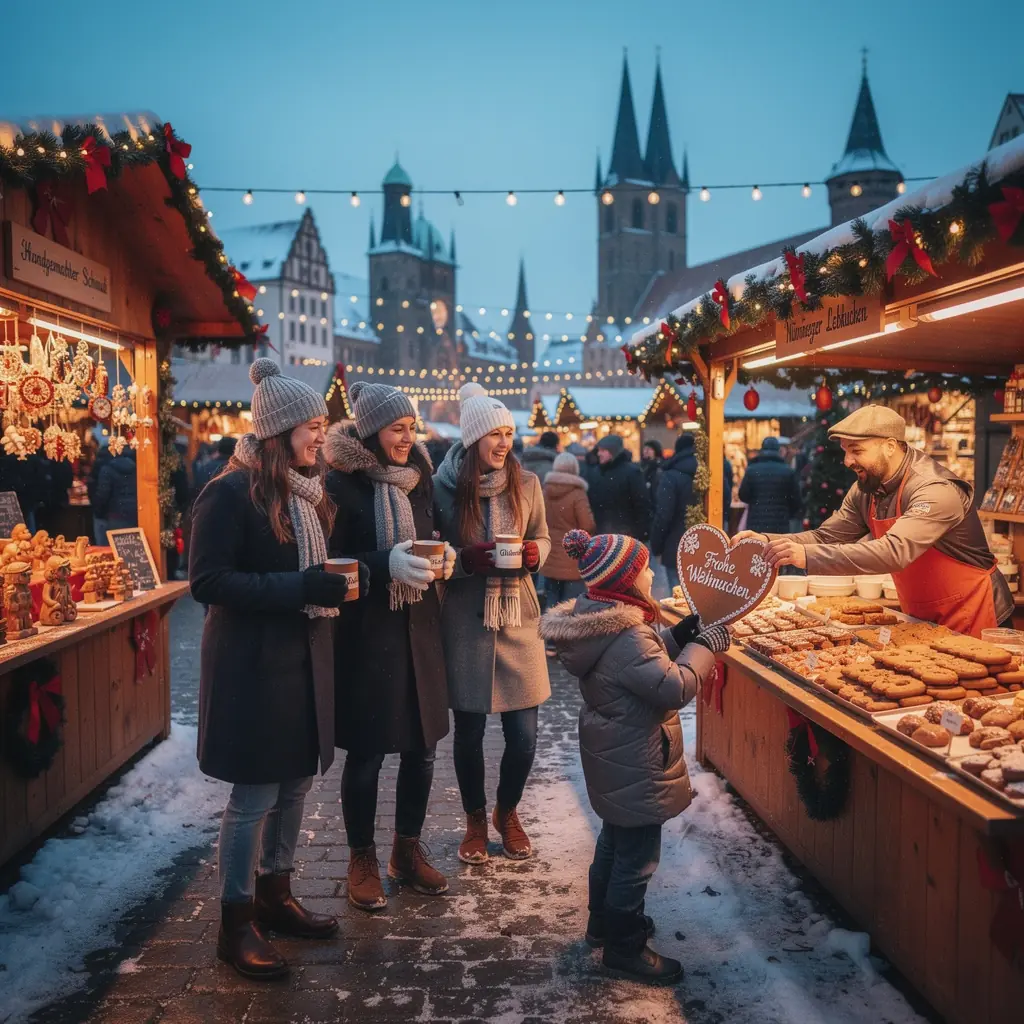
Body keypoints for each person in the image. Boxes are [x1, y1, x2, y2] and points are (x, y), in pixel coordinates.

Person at [190, 359, 351, 980]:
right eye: (312, 425)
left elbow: (305, 575)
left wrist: (331, 587)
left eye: (322, 422)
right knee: (254, 794)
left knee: (294, 784)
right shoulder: (228, 492)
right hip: (252, 666)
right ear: (279, 431)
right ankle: (235, 922)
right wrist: (299, 586)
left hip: (304, 659)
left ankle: (275, 895)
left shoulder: (306, 494)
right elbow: (208, 581)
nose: (321, 434)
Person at [540, 529, 729, 983]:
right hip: (638, 757)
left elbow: (635, 660)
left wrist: (680, 633)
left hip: (614, 753)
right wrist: (704, 647)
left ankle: (603, 923)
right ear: (626, 582)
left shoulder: (601, 620)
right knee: (638, 855)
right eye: (643, 568)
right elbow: (674, 686)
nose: (650, 572)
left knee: (614, 840)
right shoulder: (628, 635)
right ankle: (625, 948)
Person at [324, 382, 455, 912]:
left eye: (411, 427)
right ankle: (362, 859)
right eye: (398, 428)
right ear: (372, 429)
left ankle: (406, 849)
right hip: (367, 632)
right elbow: (330, 562)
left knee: (422, 749)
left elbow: (430, 532)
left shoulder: (419, 476)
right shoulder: (340, 482)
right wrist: (384, 565)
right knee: (368, 752)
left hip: (420, 627)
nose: (408, 437)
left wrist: (442, 560)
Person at [735, 404, 1014, 635]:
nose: (847, 461)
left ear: (890, 446)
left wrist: (805, 556)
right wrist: (770, 541)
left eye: (856, 450)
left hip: (977, 616)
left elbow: (893, 551)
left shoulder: (935, 489)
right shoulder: (867, 488)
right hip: (922, 619)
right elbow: (826, 536)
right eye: (845, 450)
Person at [434, 383, 551, 864]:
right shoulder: (442, 489)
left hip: (518, 619)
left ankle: (508, 810)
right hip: (465, 622)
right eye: (494, 434)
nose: (504, 443)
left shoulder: (526, 484)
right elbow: (434, 549)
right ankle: (476, 820)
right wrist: (464, 560)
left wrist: (533, 554)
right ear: (472, 439)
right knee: (469, 734)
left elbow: (543, 536)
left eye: (509, 433)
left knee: (524, 737)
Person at [541, 450, 596, 610]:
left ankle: (549, 634)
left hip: (549, 557)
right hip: (572, 559)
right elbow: (587, 525)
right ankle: (566, 635)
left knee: (551, 602)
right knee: (570, 606)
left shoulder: (545, 491)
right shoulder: (577, 493)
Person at [648, 434, 697, 591]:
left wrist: (656, 545)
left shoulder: (671, 475)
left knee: (678, 597)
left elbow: (664, 514)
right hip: (708, 546)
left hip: (676, 545)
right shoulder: (712, 471)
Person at [588, 435, 651, 540]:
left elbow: (642, 505)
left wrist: (640, 534)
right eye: (599, 450)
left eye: (603, 450)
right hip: (601, 536)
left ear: (613, 452)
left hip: (627, 536)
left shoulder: (632, 473)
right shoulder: (595, 473)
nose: (599, 454)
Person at [737, 437, 802, 536]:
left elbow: (743, 495)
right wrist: (787, 513)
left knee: (757, 549)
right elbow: (796, 500)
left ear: (762, 449)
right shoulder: (787, 471)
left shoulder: (752, 470)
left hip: (756, 523)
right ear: (778, 450)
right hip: (780, 524)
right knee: (778, 550)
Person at [93, 446, 138, 532]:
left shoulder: (107, 469)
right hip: (134, 514)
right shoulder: (136, 468)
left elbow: (103, 494)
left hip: (115, 515)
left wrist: (97, 512)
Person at [640, 440, 664, 509]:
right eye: (645, 449)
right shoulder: (641, 466)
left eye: (649, 449)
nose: (646, 451)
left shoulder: (660, 467)